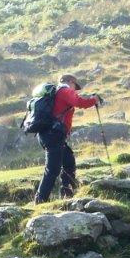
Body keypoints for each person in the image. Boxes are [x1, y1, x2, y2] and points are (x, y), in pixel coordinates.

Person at [34, 74, 103, 204]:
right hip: (53, 135)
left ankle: (67, 193)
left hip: (47, 134)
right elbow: (79, 102)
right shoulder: (65, 91)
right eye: (75, 86)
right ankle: (40, 201)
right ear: (71, 82)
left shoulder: (55, 93)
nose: (75, 90)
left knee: (69, 162)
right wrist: (94, 100)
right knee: (53, 169)